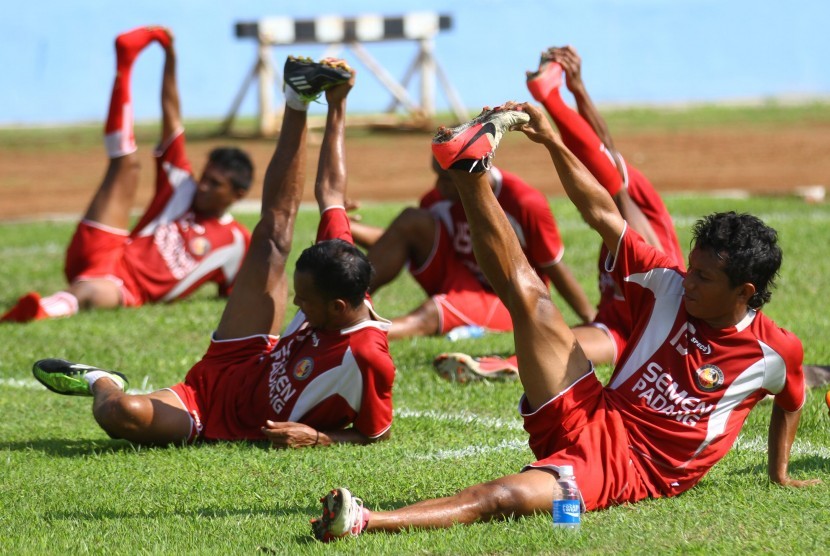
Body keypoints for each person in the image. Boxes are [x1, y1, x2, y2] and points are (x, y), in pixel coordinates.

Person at [310, 103, 819, 541]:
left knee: (500, 496)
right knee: (530, 296)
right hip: (592, 404)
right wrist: (551, 140)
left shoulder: (775, 351)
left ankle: (364, 520)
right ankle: (469, 172)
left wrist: (780, 474)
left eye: (704, 278)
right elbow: (601, 211)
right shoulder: (669, 283)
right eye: (692, 267)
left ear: (744, 292)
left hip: (628, 468)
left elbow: (791, 399)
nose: (688, 281)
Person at [31, 57, 397, 449]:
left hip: (210, 413)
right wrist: (338, 105)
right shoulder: (341, 262)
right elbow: (331, 192)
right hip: (245, 353)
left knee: (121, 416)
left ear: (339, 308)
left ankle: (100, 379)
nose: (295, 303)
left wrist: (319, 438)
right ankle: (297, 97)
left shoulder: (368, 356)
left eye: (304, 300)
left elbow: (377, 433)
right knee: (273, 238)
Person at [434, 45, 685, 381]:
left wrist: (558, 119)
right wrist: (574, 91)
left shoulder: (641, 235)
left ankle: (503, 365)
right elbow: (604, 151)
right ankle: (501, 364)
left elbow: (607, 169)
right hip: (619, 326)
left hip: (650, 322)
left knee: (615, 193)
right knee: (611, 177)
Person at [1, 26, 253, 323]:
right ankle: (125, 63)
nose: (203, 186)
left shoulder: (237, 241)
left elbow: (235, 291)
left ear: (237, 194)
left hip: (128, 288)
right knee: (126, 164)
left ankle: (38, 310)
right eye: (204, 177)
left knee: (88, 293)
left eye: (215, 184)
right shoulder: (181, 184)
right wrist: (170, 56)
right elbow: (172, 114)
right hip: (108, 249)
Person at [349, 158, 595, 342]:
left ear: (477, 171)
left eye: (447, 178)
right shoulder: (437, 198)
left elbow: (554, 266)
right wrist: (342, 220)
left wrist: (591, 321)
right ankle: (345, 301)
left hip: (508, 299)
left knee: (431, 313)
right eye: (437, 175)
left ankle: (358, 334)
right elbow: (395, 242)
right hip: (460, 278)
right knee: (411, 220)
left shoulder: (523, 202)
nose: (438, 186)